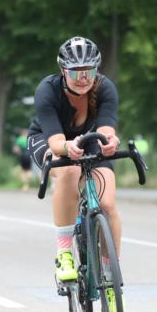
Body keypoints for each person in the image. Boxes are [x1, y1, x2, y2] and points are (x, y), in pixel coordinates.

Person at [27, 36, 121, 284]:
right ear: (63, 71)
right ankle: (65, 253)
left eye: (89, 71)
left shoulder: (105, 88)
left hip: (88, 139)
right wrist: (68, 147)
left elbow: (106, 130)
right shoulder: (47, 90)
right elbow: (57, 142)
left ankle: (111, 269)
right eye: (76, 72)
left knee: (108, 205)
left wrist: (111, 142)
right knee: (68, 172)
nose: (83, 78)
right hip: (49, 139)